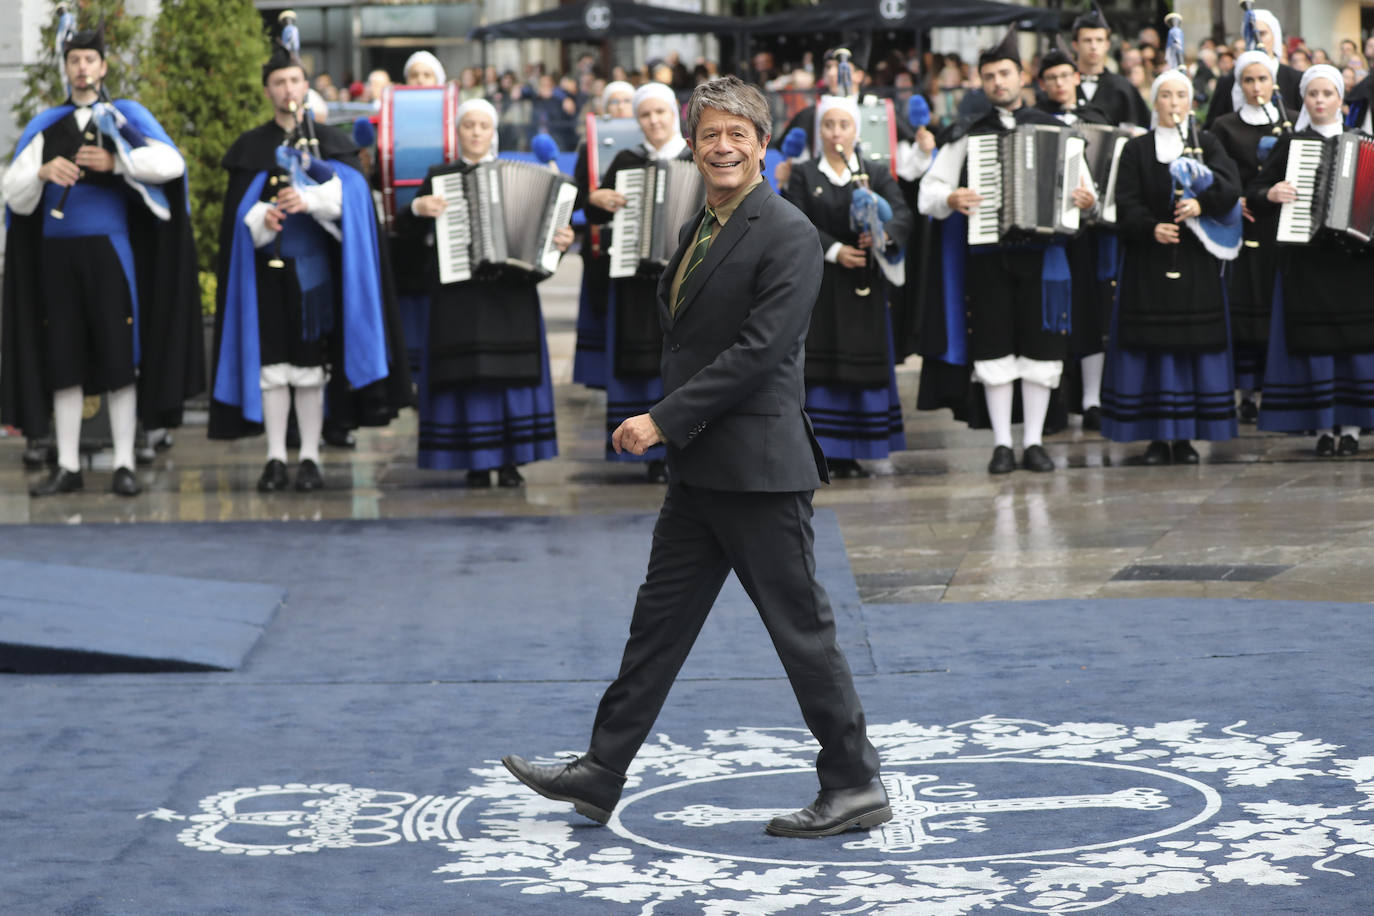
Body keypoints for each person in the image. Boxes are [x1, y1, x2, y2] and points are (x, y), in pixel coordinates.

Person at [502, 76, 889, 839]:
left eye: (737, 134)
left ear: (762, 143)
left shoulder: (788, 232)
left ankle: (855, 783)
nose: (722, 147)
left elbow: (758, 353)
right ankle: (603, 769)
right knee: (658, 627)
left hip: (759, 471)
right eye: (710, 134)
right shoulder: (698, 225)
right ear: (691, 143)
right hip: (702, 471)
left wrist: (662, 420)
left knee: (800, 632)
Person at [1, 16, 202, 497]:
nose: (82, 68)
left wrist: (118, 161)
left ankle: (124, 463)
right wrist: (43, 172)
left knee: (118, 357)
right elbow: (13, 193)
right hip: (57, 258)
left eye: (90, 60)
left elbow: (172, 164)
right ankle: (68, 466)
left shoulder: (124, 116)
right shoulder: (47, 125)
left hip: (111, 254)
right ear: (65, 68)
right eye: (74, 60)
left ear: (104, 66)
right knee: (63, 359)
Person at [210, 36, 411, 491]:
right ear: (268, 91)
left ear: (305, 84)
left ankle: (310, 456)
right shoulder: (251, 148)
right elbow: (237, 218)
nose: (287, 89)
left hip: (318, 277)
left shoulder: (330, 143)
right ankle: (276, 456)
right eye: (278, 82)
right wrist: (264, 216)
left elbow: (355, 201)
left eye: (294, 79)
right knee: (272, 368)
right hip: (263, 276)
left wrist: (311, 199)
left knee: (310, 368)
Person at [917, 29, 1096, 474]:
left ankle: (1033, 442)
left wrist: (1084, 203)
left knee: (1041, 349)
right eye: (990, 76)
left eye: (1005, 73)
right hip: (988, 258)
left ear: (1022, 76)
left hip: (1045, 256)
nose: (998, 82)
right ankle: (1001, 444)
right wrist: (952, 198)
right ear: (981, 82)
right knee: (993, 347)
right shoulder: (967, 133)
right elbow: (928, 193)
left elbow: (1084, 191)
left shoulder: (1057, 129)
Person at [397, 99, 570, 486]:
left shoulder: (523, 174)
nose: (476, 132)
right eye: (468, 125)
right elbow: (404, 240)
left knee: (513, 377)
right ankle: (476, 460)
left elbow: (542, 252)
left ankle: (512, 461)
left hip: (512, 294)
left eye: (483, 126)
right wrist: (416, 210)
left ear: (493, 132)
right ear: (458, 132)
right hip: (459, 296)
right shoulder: (439, 177)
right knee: (469, 378)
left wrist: (557, 243)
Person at [1099, 55, 1242, 464]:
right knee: (1152, 349)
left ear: (1191, 102)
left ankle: (1187, 438)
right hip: (1147, 265)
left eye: (1181, 95)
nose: (1174, 102)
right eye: (1166, 95)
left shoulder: (1207, 144)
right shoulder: (1136, 149)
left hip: (1196, 262)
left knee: (1192, 347)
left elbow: (1230, 187)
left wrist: (1202, 204)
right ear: (1155, 102)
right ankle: (1157, 438)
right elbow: (1123, 204)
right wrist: (1150, 228)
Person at [782, 94, 911, 477]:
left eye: (844, 125)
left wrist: (883, 235)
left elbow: (902, 213)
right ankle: (826, 450)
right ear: (818, 130)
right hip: (821, 285)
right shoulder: (804, 173)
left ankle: (860, 447)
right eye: (828, 124)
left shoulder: (874, 170)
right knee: (822, 366)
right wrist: (835, 250)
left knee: (862, 363)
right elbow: (794, 220)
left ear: (856, 130)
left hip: (864, 286)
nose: (836, 132)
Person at [1250, 65, 1374, 456]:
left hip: (1355, 263)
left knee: (1357, 344)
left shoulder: (1364, 141)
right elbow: (1254, 191)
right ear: (1304, 99)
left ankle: (1352, 429)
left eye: (1328, 94)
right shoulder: (1291, 144)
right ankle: (1322, 427)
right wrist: (1271, 194)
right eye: (1313, 94)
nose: (1320, 101)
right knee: (1316, 345)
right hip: (1308, 260)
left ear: (1340, 99)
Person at [581, 83, 691, 483]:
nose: (654, 121)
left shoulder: (695, 157)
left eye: (660, 112)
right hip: (636, 281)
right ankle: (649, 450)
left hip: (687, 282)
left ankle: (686, 440)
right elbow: (594, 218)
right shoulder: (626, 161)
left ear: (674, 114)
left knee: (684, 362)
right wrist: (597, 200)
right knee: (644, 365)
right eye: (646, 115)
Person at [1209, 46, 1296, 423]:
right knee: (1245, 305)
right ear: (1239, 84)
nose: (1256, 86)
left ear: (1273, 81)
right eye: (1248, 79)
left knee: (1277, 303)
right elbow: (1220, 173)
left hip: (1282, 224)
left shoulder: (1291, 123)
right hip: (1243, 223)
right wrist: (1240, 197)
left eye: (1262, 78)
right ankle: (1244, 390)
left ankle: (1274, 385)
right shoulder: (1224, 126)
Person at [1035, 47, 1115, 430]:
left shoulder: (1096, 119)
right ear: (1041, 84)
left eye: (1064, 76)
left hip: (1088, 235)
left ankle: (1092, 400)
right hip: (1046, 237)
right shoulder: (1033, 120)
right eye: (1050, 78)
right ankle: (1054, 401)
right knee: (1051, 316)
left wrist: (1095, 200)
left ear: (1077, 78)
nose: (1058, 84)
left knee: (1089, 311)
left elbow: (1112, 171)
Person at [570, 80, 634, 392]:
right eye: (615, 102)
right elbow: (577, 192)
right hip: (600, 248)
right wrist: (592, 198)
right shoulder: (590, 145)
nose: (621, 107)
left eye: (626, 101)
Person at [1204, 8, 1301, 129]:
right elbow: (1212, 127)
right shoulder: (1228, 81)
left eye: (1262, 33)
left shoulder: (1295, 79)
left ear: (1274, 35)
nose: (1257, 39)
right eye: (1251, 34)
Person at [1072, 7, 1151, 128]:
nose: (1093, 46)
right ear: (1075, 45)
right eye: (1087, 40)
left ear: (1107, 44)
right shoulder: (1064, 85)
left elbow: (1141, 128)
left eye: (1099, 40)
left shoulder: (1123, 88)